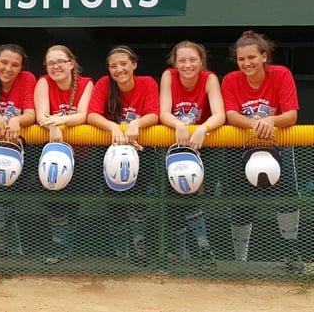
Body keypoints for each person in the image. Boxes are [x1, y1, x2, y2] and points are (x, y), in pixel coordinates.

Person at [221, 30, 300, 270]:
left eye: (251, 57)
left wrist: (271, 122)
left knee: (287, 199)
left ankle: (291, 254)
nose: (246, 63)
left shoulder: (280, 74)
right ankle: (240, 262)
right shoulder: (231, 80)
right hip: (240, 147)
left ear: (264, 56)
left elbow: (291, 115)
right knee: (241, 203)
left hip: (277, 144)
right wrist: (257, 123)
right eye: (241, 59)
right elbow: (231, 115)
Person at [87, 45, 158, 265]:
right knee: (115, 204)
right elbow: (91, 115)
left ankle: (139, 251)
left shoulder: (147, 83)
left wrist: (136, 123)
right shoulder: (103, 84)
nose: (119, 69)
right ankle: (121, 255)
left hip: (141, 153)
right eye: (113, 66)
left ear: (134, 64)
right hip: (110, 153)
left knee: (138, 204)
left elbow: (154, 114)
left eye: (124, 64)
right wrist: (113, 127)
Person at [159, 41, 225, 269]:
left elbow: (219, 114)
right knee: (178, 196)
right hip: (176, 146)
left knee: (193, 196)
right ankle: (188, 252)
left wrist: (202, 128)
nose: (187, 65)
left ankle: (201, 248)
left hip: (204, 146)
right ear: (174, 63)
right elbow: (164, 112)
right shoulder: (169, 75)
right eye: (182, 60)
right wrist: (178, 124)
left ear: (201, 61)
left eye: (192, 60)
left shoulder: (209, 78)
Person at [35, 44, 94, 263]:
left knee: (73, 205)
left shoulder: (86, 83)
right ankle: (58, 247)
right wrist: (51, 125)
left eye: (61, 61)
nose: (56, 66)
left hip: (83, 156)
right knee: (55, 203)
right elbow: (41, 115)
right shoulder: (44, 82)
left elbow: (82, 116)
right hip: (53, 155)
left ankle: (70, 248)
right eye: (51, 63)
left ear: (71, 63)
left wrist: (57, 121)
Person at [0, 44, 36, 255]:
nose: (8, 68)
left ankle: (12, 248)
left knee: (11, 200)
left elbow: (31, 113)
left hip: (21, 149)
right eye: (4, 62)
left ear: (21, 68)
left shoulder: (27, 78)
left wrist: (16, 120)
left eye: (15, 65)